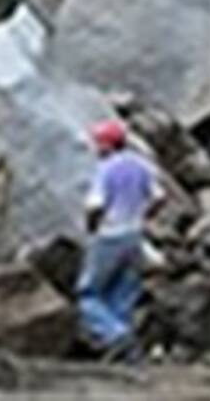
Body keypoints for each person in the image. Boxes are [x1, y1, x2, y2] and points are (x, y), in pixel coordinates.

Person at [76, 118, 163, 363]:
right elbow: (159, 197)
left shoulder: (106, 168)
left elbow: (96, 205)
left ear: (106, 145)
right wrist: (144, 215)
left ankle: (117, 336)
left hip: (110, 234)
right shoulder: (141, 165)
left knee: (88, 294)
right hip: (135, 233)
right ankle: (127, 355)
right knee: (123, 292)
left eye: (98, 143)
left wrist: (92, 228)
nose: (95, 147)